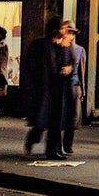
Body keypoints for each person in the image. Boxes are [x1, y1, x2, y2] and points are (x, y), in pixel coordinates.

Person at [22, 16, 62, 156]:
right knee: (41, 122)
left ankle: (52, 151)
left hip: (54, 89)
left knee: (54, 123)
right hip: (42, 89)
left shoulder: (58, 47)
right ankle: (32, 139)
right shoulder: (40, 44)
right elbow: (30, 65)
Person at [59, 22, 86, 156]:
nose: (71, 35)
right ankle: (59, 146)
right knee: (60, 116)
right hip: (61, 87)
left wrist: (83, 90)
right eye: (69, 32)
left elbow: (82, 70)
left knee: (72, 117)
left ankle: (68, 145)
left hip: (74, 86)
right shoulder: (60, 47)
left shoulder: (79, 50)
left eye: (73, 33)